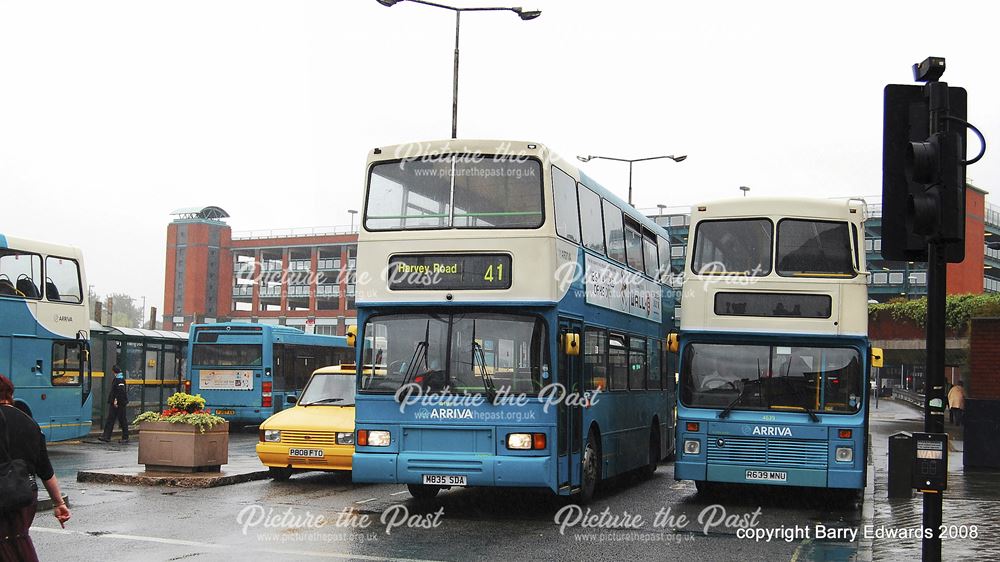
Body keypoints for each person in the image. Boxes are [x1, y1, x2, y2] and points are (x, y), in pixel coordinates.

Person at [0, 374, 71, 561]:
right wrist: (59, 504)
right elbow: (45, 470)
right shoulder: (30, 423)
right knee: (18, 540)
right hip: (23, 496)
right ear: (10, 394)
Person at [99, 366, 129, 443]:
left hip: (119, 403)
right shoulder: (118, 378)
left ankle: (125, 437)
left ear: (114, 372)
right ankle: (106, 436)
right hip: (116, 403)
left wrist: (116, 400)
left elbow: (121, 391)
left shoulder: (119, 379)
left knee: (122, 420)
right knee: (111, 419)